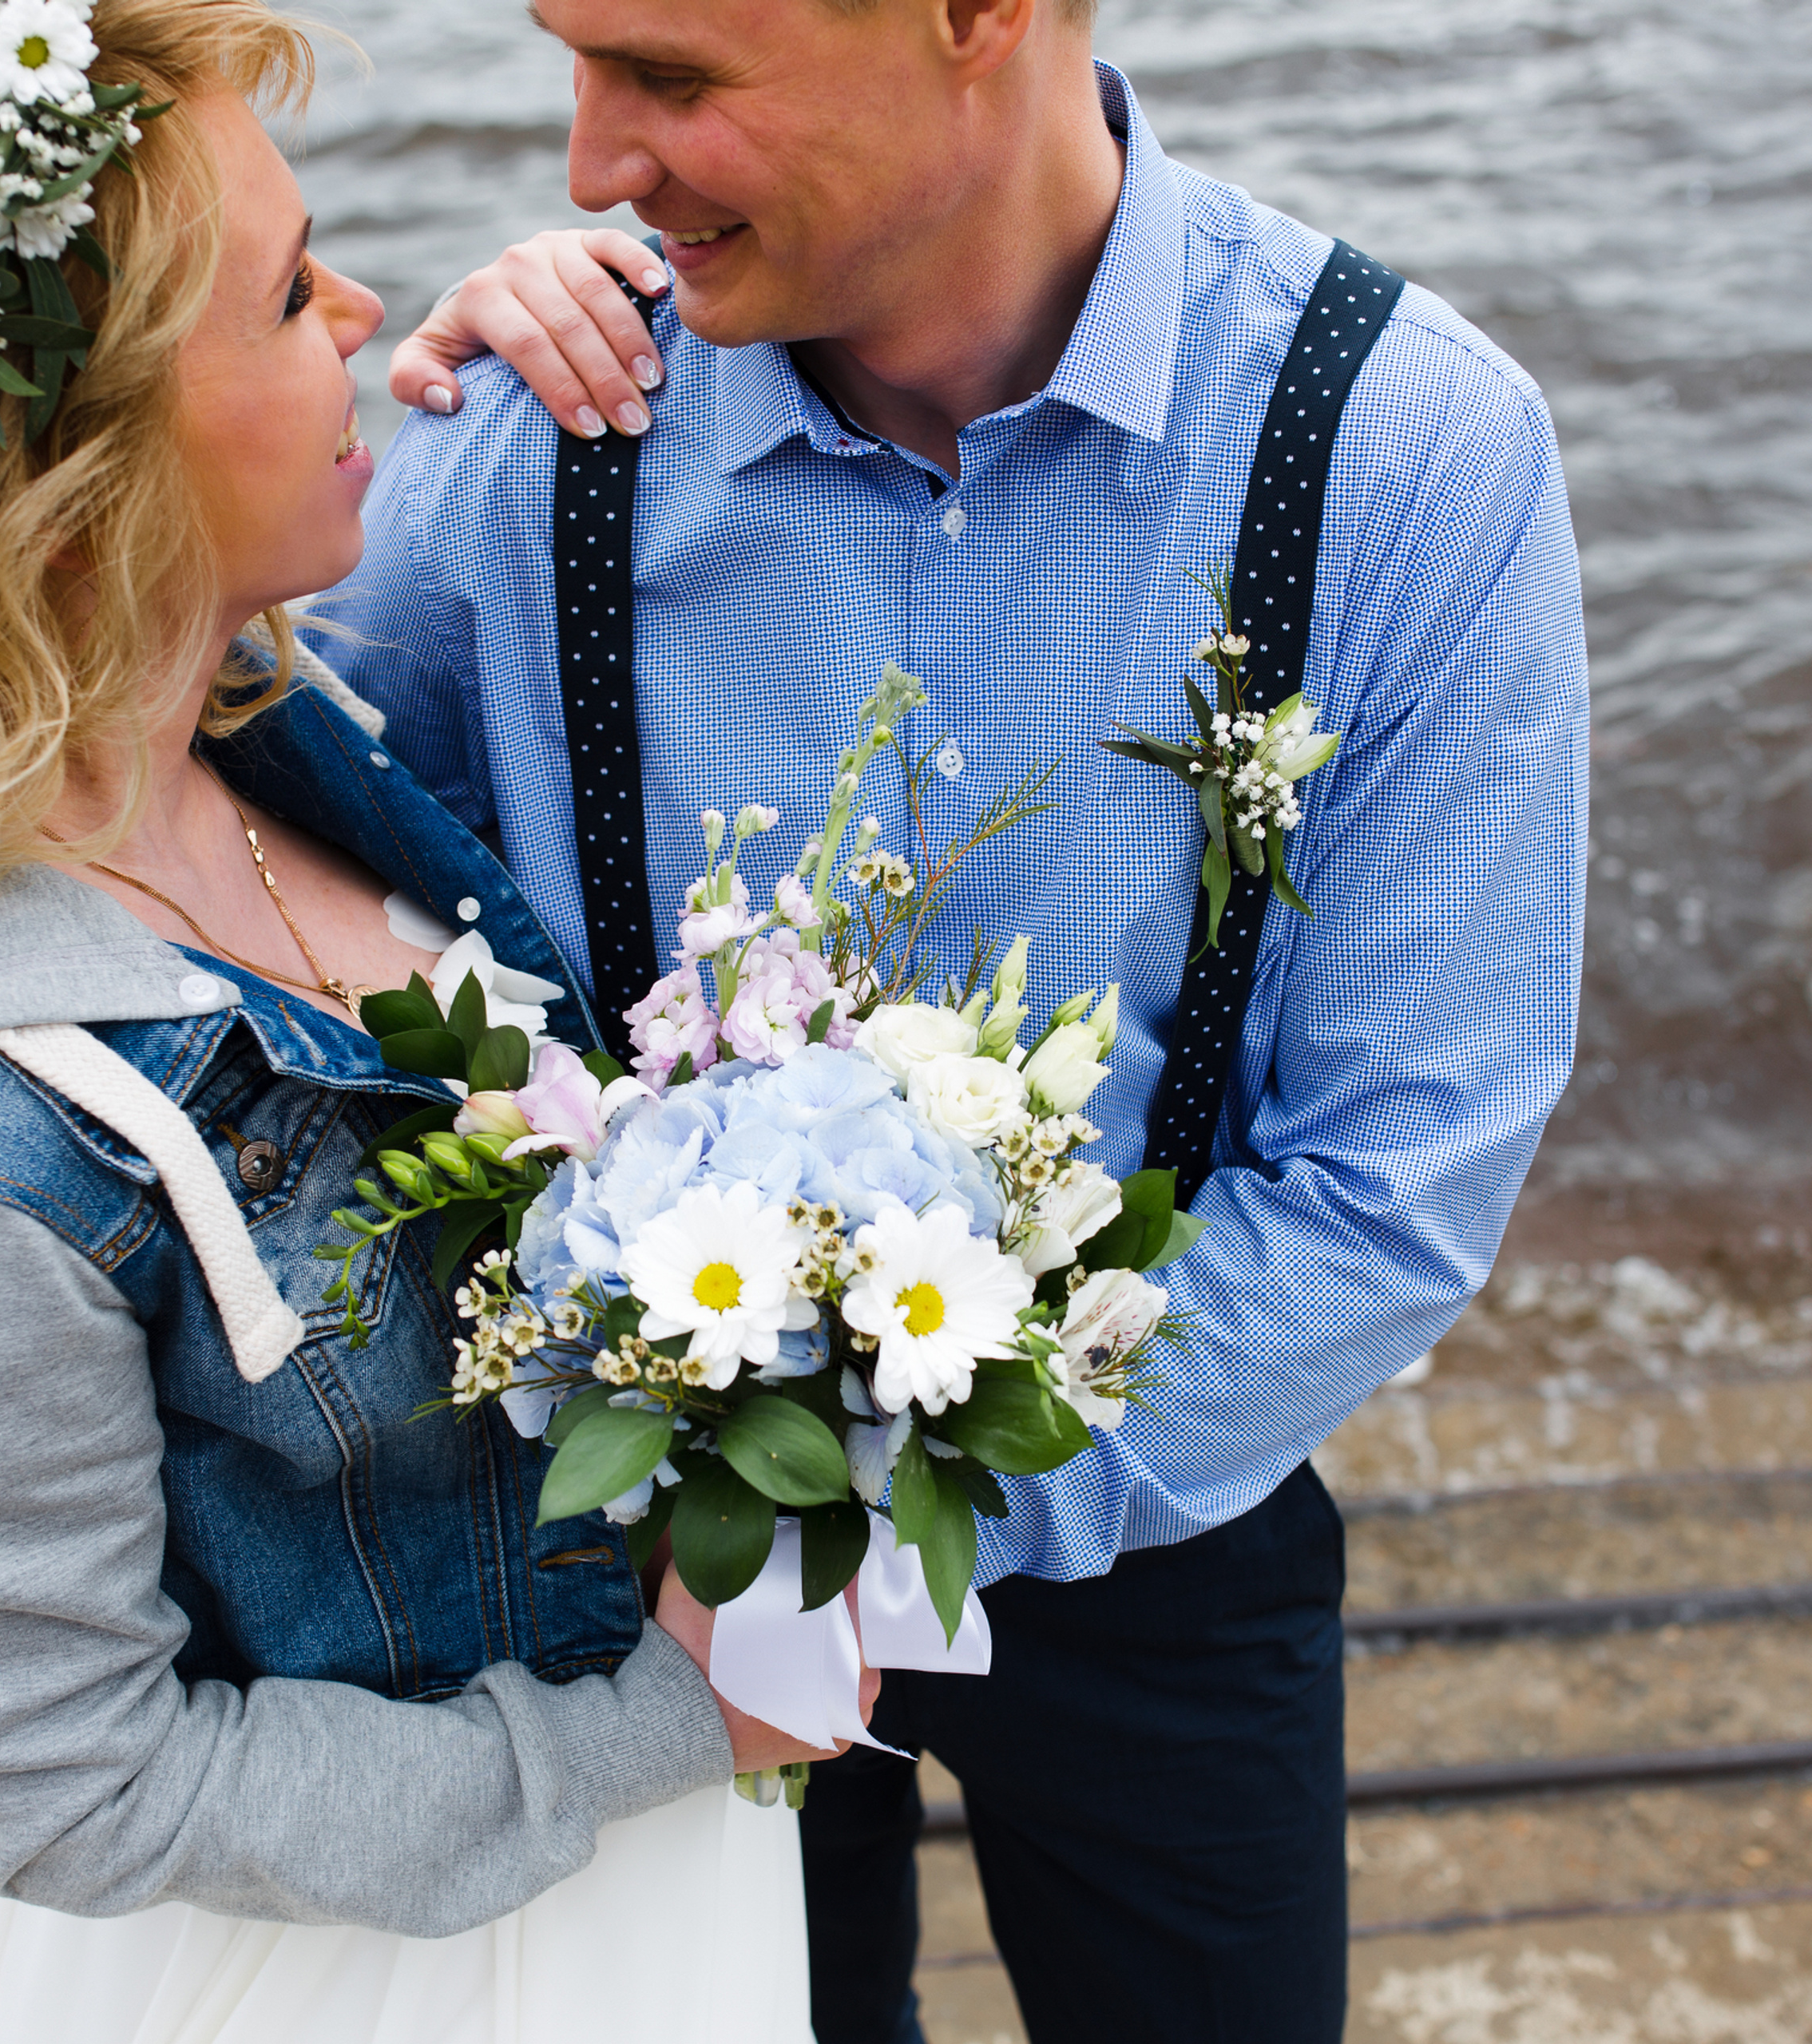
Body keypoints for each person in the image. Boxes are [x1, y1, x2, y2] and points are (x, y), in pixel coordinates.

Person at [316, 0, 1591, 2038]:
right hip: (637, 1549)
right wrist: (348, 433)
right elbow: (298, 921)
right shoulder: (528, 424)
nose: (584, 165)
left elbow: (1396, 1170)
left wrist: (886, 1511)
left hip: (1162, 1497)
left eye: (667, 76)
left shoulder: (1403, 453)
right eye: (570, 63)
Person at [0, 2, 865, 2038]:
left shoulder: (273, 731)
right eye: (286, 294)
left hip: (600, 1893)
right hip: (313, 1974)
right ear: (77, 481)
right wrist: (663, 1721)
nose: (368, 304)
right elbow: (77, 1786)